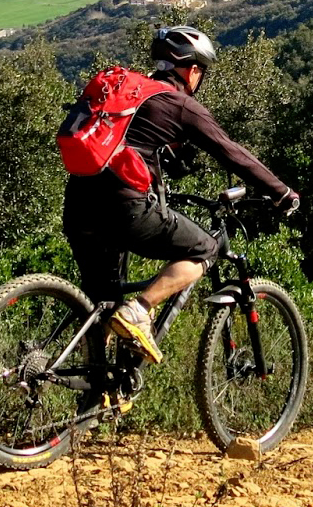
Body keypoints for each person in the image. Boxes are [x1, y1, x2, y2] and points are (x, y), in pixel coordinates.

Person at [62, 25, 299, 365]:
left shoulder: (132, 96)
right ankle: (140, 310)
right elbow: (232, 153)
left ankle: (96, 396)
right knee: (206, 248)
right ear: (192, 70)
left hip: (79, 205)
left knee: (103, 306)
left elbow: (140, 148)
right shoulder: (179, 103)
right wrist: (283, 192)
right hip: (124, 206)